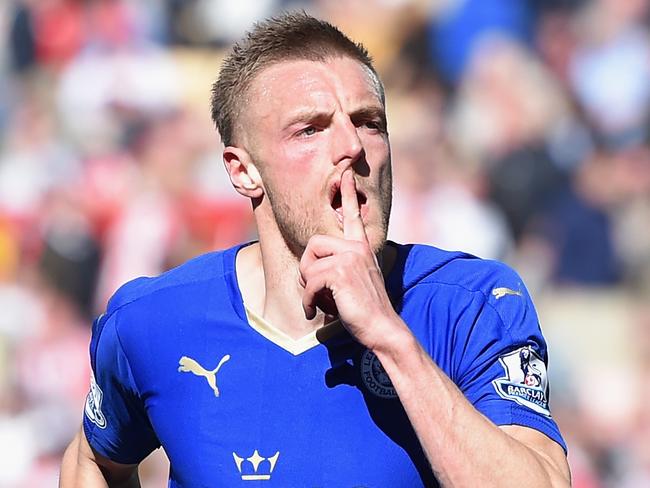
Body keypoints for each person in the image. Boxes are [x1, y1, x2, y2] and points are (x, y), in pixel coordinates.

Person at [60, 12, 571, 487]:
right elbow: (93, 460)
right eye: (311, 128)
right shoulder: (152, 320)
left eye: (369, 121)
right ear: (243, 171)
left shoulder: (469, 305)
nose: (352, 146)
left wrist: (391, 339)